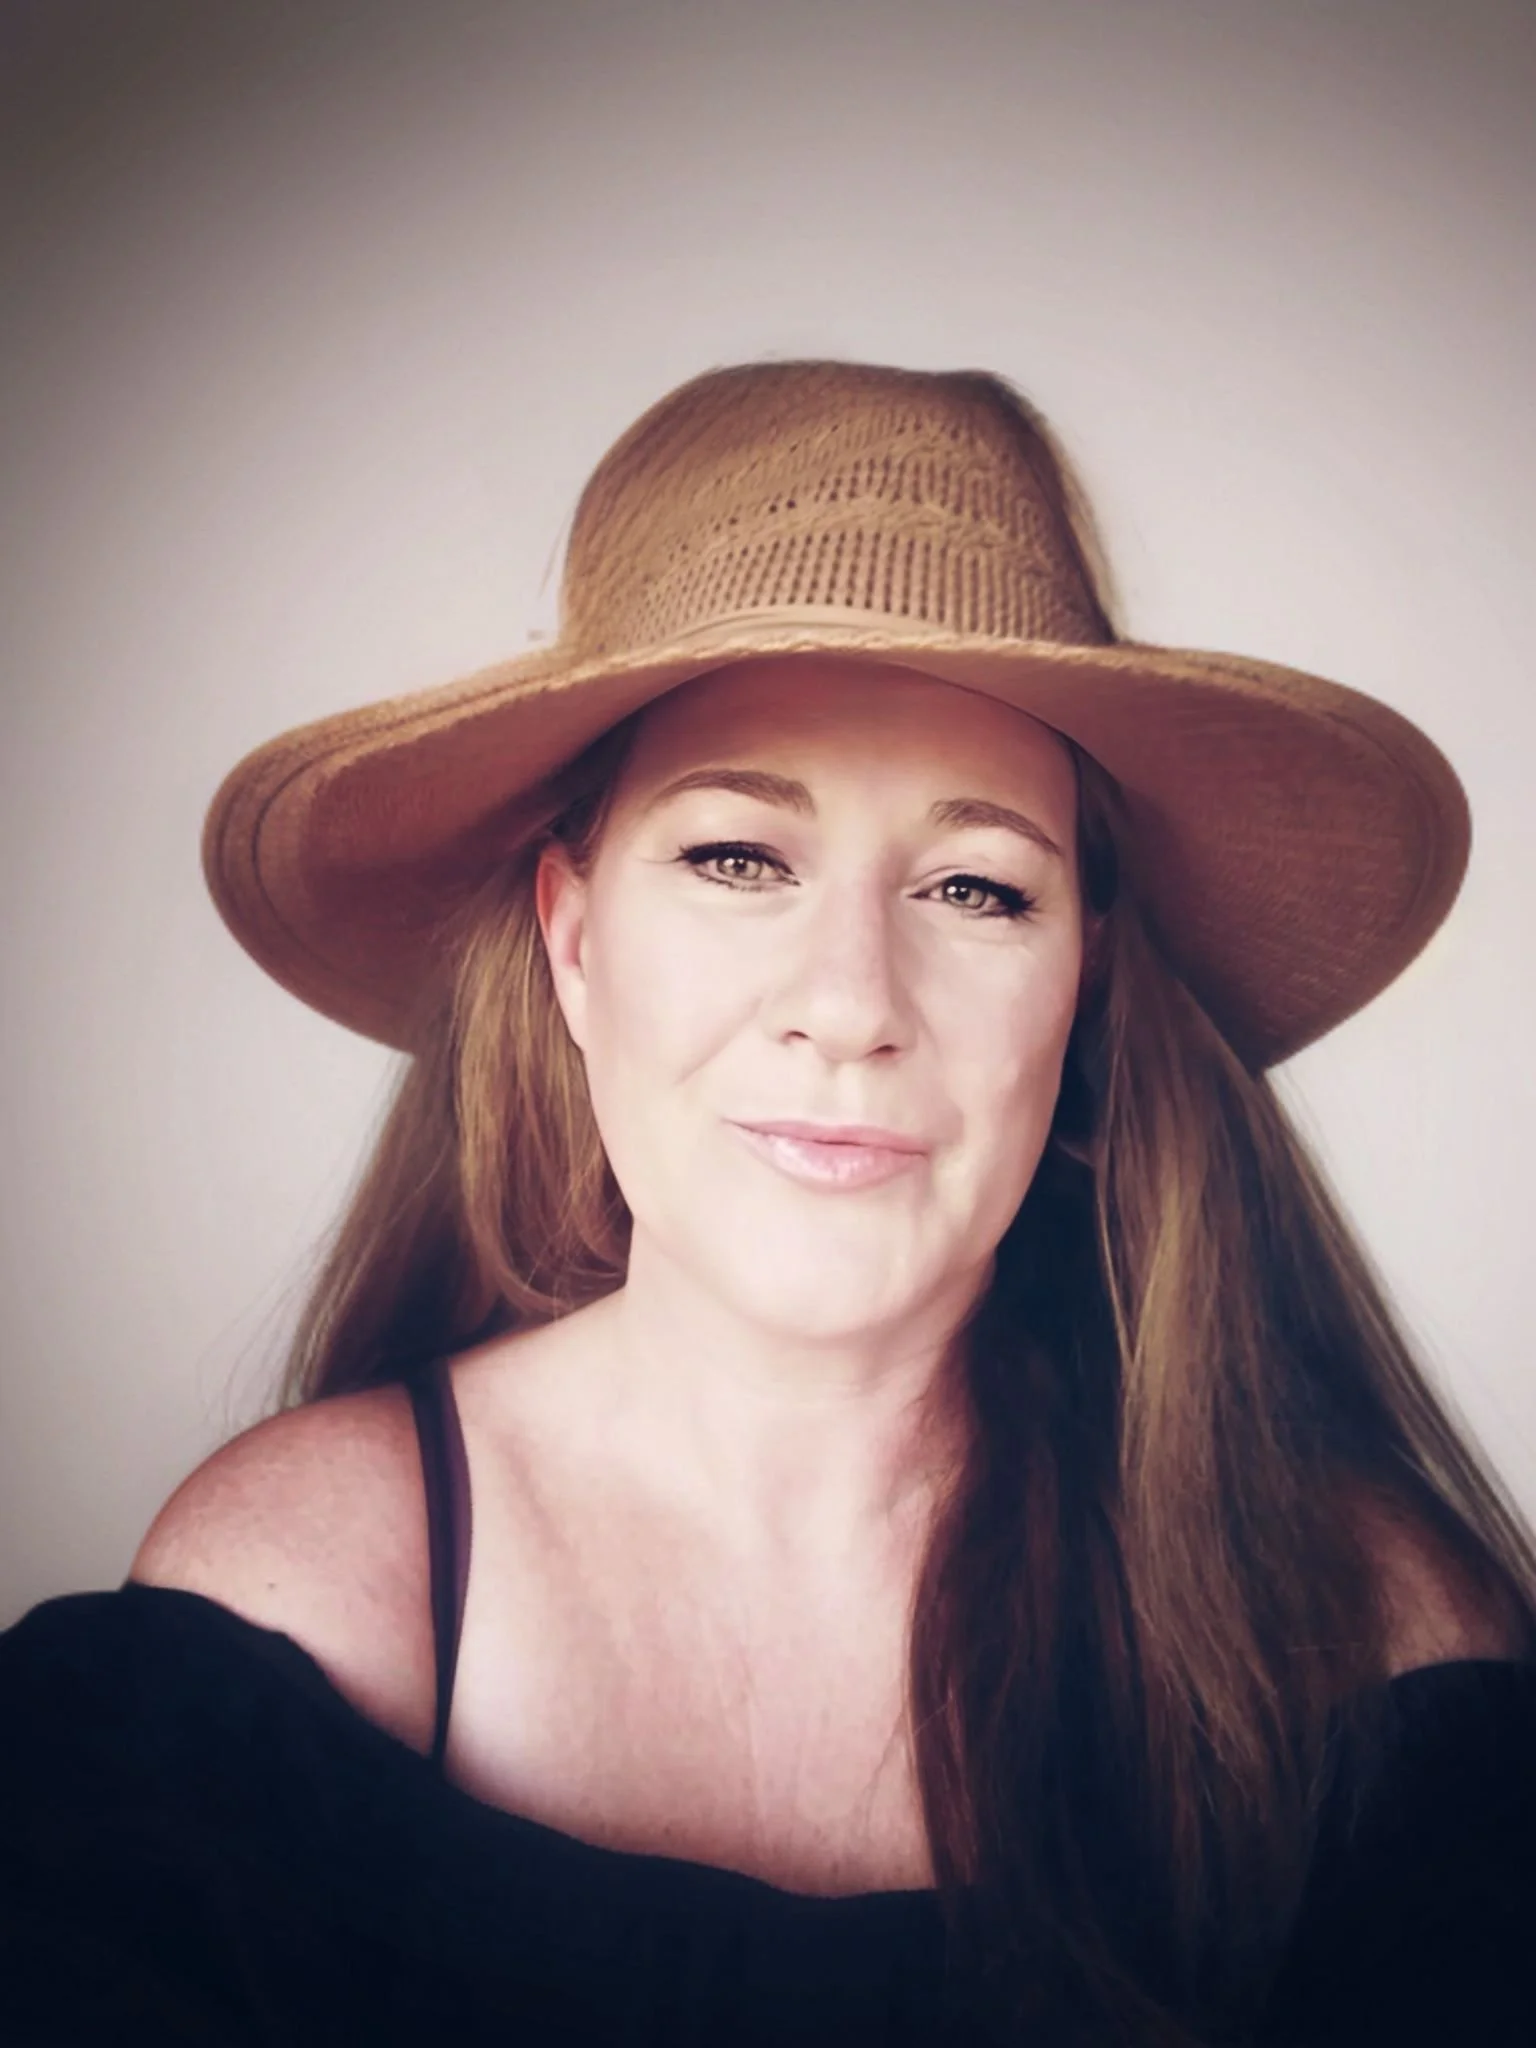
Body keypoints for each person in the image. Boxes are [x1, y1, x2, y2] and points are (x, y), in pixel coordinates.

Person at [3, 358, 1534, 2048]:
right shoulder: (301, 1602)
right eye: (739, 858)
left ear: (1088, 988)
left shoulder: (1373, 1640)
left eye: (977, 885)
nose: (853, 1001)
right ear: (575, 946)